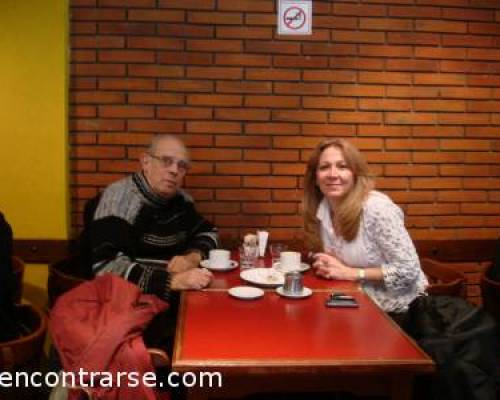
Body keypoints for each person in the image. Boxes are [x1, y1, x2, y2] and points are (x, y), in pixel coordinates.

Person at [87, 134, 217, 350]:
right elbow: (106, 269)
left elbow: (209, 233)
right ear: (145, 162)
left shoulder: (181, 200)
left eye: (182, 165)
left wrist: (192, 257)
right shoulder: (119, 198)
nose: (174, 170)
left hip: (171, 307)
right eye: (166, 161)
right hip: (129, 313)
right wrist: (172, 282)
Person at [303, 138, 428, 321]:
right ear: (315, 177)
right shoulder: (322, 208)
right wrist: (325, 262)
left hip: (399, 313)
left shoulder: (377, 209)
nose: (332, 174)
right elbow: (336, 259)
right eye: (324, 167)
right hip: (354, 304)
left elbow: (408, 271)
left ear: (355, 174)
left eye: (342, 166)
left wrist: (351, 273)